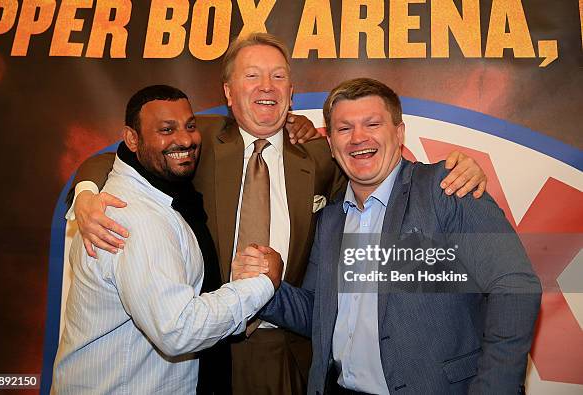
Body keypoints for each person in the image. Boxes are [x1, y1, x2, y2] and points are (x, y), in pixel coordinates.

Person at [67, 34, 488, 394]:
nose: (266, 85)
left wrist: (456, 170)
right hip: (213, 350)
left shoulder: (323, 155)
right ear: (229, 93)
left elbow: (386, 176)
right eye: (251, 75)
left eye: (278, 76)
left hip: (293, 351)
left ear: (290, 92)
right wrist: (85, 194)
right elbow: (115, 159)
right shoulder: (199, 138)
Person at [260, 78, 542, 395]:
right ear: (331, 146)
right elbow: (320, 313)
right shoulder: (330, 220)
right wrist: (268, 288)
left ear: (399, 133)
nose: (358, 137)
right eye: (344, 128)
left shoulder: (446, 188)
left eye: (372, 123)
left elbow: (515, 285)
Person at [51, 85, 284, 394]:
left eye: (189, 126)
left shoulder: (168, 182)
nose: (185, 139)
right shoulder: (134, 217)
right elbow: (178, 330)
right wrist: (262, 283)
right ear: (132, 139)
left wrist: (292, 125)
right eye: (166, 129)